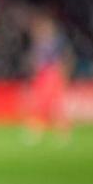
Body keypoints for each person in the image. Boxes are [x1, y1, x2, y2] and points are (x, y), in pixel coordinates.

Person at [22, 9, 71, 145]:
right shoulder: (41, 44)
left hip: (51, 75)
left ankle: (60, 133)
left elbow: (63, 59)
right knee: (42, 106)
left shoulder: (53, 43)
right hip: (45, 76)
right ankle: (39, 133)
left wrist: (61, 75)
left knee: (50, 106)